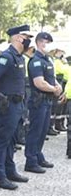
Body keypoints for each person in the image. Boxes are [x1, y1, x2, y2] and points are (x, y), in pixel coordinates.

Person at [0, 25, 33, 190]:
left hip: (18, 104)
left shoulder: (20, 57)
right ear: (17, 37)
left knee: (13, 139)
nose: (28, 40)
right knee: (3, 140)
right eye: (26, 36)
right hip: (6, 105)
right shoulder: (6, 57)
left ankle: (10, 170)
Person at [24, 32, 63, 173]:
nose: (48, 46)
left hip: (47, 100)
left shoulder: (47, 60)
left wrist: (57, 86)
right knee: (35, 130)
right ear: (40, 43)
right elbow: (39, 82)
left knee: (43, 130)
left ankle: (38, 155)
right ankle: (31, 160)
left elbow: (52, 78)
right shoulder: (36, 60)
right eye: (46, 43)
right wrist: (54, 89)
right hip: (38, 101)